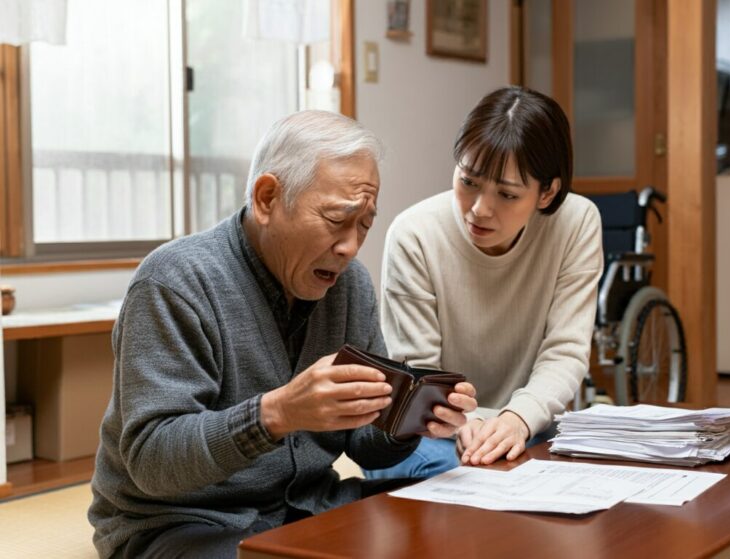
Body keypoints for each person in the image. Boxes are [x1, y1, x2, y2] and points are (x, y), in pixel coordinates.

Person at [88, 110, 477, 559]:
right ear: (267, 198)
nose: (350, 246)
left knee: (452, 518)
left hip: (311, 505)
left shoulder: (349, 286)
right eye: (337, 218)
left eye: (365, 223)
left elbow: (365, 447)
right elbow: (153, 462)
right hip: (182, 521)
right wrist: (277, 413)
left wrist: (407, 422)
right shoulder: (174, 282)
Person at [364, 86, 602, 479]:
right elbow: (420, 369)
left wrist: (516, 420)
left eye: (507, 194)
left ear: (548, 192)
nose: (480, 209)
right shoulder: (415, 234)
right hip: (434, 430)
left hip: (527, 425)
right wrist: (462, 423)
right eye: (469, 181)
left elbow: (565, 352)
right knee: (436, 479)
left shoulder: (576, 224)